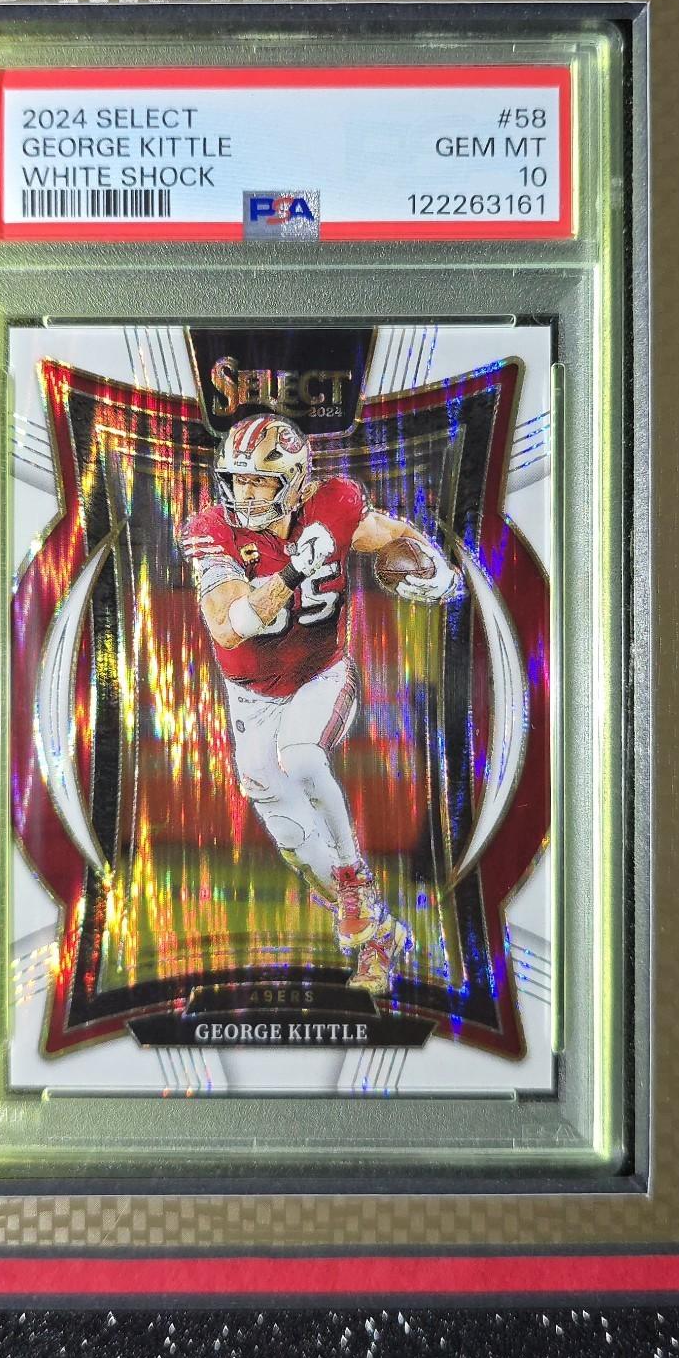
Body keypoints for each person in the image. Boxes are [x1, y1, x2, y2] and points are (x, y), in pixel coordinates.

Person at [180, 415, 461, 994]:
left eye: (260, 481)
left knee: (303, 757)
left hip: (321, 675)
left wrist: (435, 567)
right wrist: (291, 573)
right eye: (238, 480)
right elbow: (230, 626)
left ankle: (355, 877)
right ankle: (374, 929)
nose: (245, 494)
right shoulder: (211, 530)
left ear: (294, 480)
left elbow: (389, 532)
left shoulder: (332, 504)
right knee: (295, 837)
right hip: (250, 696)